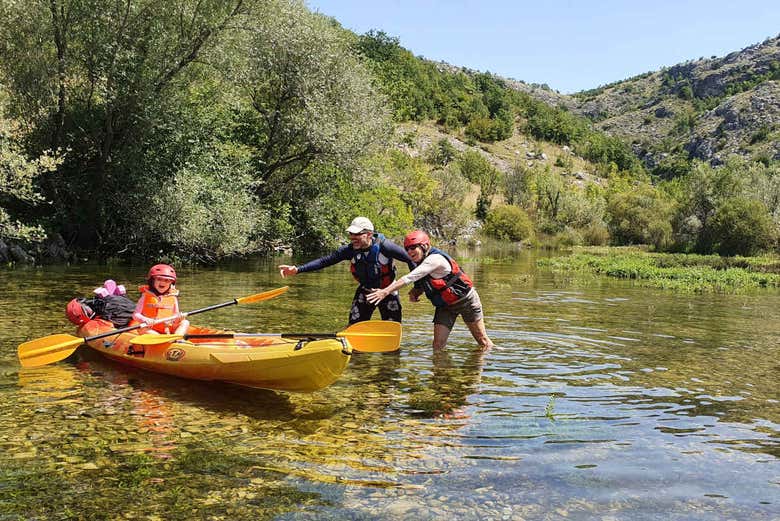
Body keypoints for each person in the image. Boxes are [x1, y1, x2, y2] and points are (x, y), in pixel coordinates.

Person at [366, 230, 494, 351]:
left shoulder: (434, 259)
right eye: (407, 248)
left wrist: (384, 292)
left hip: (466, 301)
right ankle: (440, 373)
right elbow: (431, 280)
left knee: (483, 341)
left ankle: (483, 367)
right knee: (437, 346)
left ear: (425, 246)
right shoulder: (420, 260)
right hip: (445, 306)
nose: (409, 252)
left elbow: (410, 277)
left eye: (413, 247)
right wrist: (417, 291)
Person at [278, 217, 415, 324]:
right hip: (365, 291)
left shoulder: (386, 247)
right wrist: (297, 270)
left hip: (387, 291)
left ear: (369, 234)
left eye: (356, 234)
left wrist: (417, 288)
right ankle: (356, 358)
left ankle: (391, 359)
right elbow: (325, 261)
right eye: (350, 233)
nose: (352, 237)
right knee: (355, 326)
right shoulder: (349, 250)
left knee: (392, 328)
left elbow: (411, 260)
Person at [129, 264, 189, 335]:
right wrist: (146, 320)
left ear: (171, 283)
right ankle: (161, 338)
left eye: (167, 280)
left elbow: (175, 316)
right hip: (151, 328)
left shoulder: (173, 298)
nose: (163, 282)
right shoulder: (145, 296)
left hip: (168, 328)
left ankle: (177, 338)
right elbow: (135, 315)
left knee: (185, 322)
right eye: (159, 279)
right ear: (152, 281)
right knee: (143, 330)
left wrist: (179, 318)